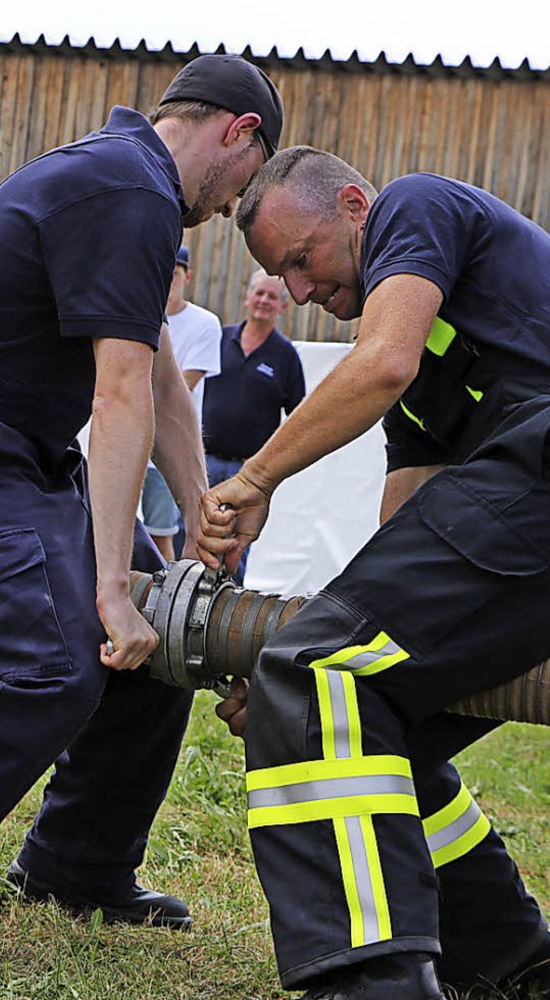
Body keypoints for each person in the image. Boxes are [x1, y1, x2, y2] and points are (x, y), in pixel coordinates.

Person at [0, 52, 283, 957]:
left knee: (163, 641)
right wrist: (109, 585)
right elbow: (117, 396)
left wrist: (200, 507)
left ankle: (75, 861)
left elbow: (154, 369)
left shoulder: (127, 179)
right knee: (48, 665)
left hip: (16, 445)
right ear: (236, 132)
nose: (233, 208)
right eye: (245, 182)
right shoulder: (131, 188)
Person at [197, 146, 550, 999]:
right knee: (356, 702)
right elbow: (406, 526)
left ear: (355, 206)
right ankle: (513, 956)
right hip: (523, 498)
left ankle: (377, 985)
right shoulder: (430, 368)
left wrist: (251, 477)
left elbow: (381, 361)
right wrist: (311, 666)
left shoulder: (414, 206)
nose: (301, 288)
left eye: (300, 259)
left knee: (316, 676)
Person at [200, 267, 305, 582]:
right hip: (201, 462)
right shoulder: (219, 339)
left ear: (283, 307)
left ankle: (225, 614)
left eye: (272, 297)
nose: (263, 300)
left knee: (233, 550)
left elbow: (299, 418)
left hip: (245, 474)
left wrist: (265, 464)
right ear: (247, 297)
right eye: (259, 293)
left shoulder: (285, 357)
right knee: (188, 535)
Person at [141, 243, 221, 561]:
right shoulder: (142, 313)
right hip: (131, 448)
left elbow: (175, 388)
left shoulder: (205, 324)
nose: (168, 280)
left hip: (168, 451)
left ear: (186, 277)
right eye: (165, 271)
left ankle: (172, 602)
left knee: (161, 538)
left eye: (175, 273)